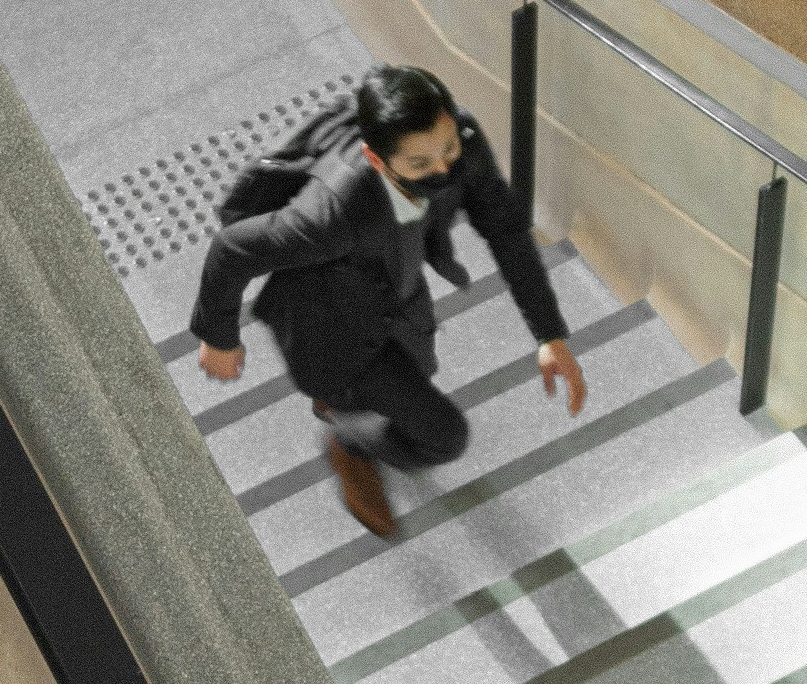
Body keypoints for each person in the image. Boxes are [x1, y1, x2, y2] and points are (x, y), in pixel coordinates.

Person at [192, 62, 589, 540]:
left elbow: (504, 230)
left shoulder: (454, 142)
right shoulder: (333, 212)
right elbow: (233, 249)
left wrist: (548, 333)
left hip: (395, 292)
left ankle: (354, 424)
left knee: (419, 375)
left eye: (448, 150)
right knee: (444, 438)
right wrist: (220, 339)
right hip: (329, 327)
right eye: (420, 165)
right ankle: (349, 443)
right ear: (378, 160)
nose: (444, 169)